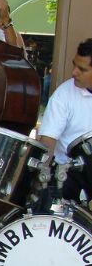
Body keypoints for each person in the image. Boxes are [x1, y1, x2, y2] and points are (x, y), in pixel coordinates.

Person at [38, 39, 92, 201]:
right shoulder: (63, 95)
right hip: (69, 174)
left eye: (82, 69)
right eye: (74, 65)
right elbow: (47, 143)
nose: (74, 72)